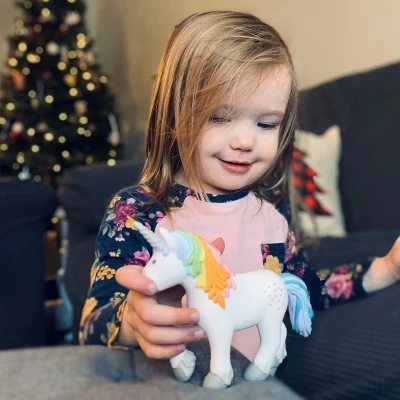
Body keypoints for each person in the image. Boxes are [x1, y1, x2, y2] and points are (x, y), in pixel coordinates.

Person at [80, 11, 400, 364]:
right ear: (173, 114)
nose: (245, 141)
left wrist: (384, 269)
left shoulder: (272, 212)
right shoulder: (137, 211)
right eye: (219, 117)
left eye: (266, 124)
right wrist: (131, 322)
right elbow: (92, 326)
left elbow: (300, 289)